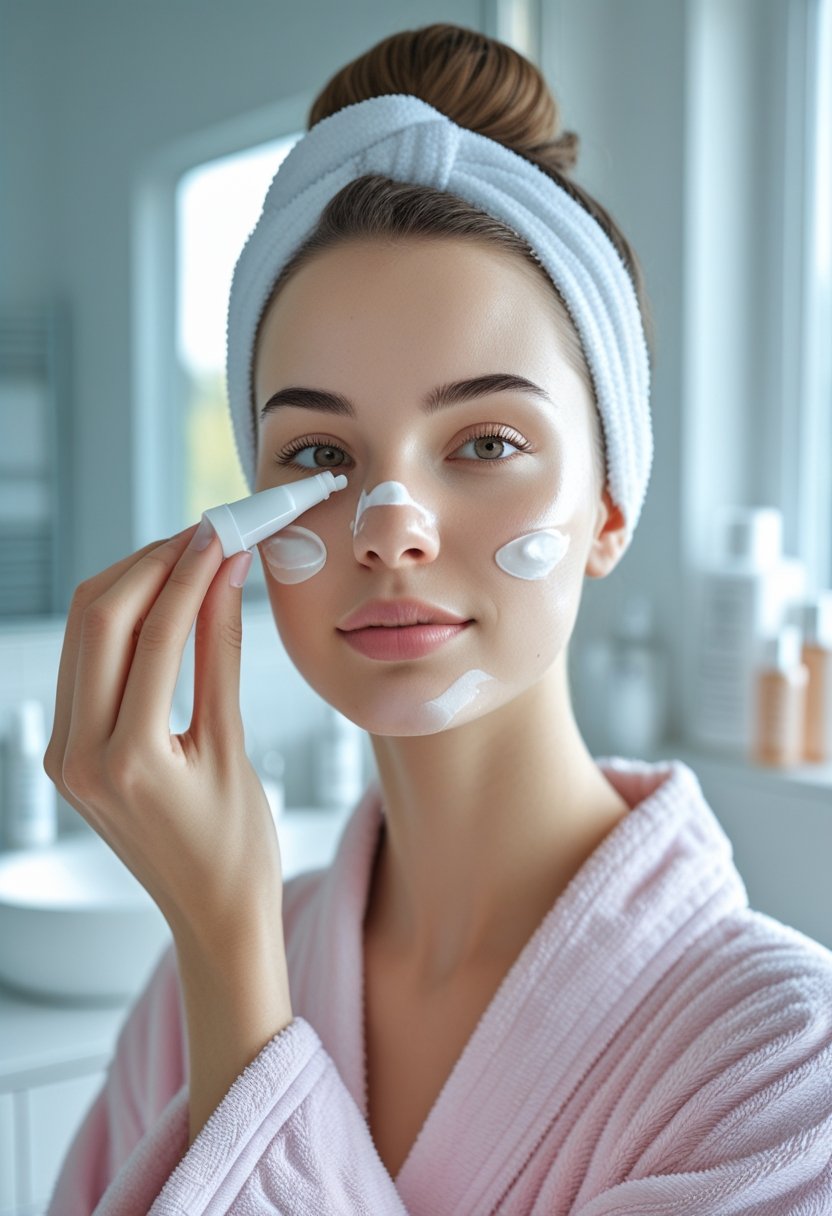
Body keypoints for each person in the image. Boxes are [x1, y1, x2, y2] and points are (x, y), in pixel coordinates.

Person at [46, 23, 832, 1215]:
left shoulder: (784, 1071)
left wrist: (232, 969)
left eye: (486, 442)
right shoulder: (183, 998)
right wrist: (221, 955)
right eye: (319, 454)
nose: (388, 524)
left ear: (611, 506)